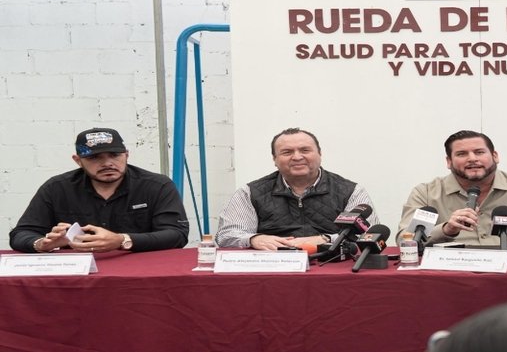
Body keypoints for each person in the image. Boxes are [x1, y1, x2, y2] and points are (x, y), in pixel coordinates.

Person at [9, 128, 189, 253]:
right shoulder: (56, 188)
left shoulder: (157, 185)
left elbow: (177, 234)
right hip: (77, 276)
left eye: (115, 155)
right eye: (95, 157)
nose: (107, 163)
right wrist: (42, 243)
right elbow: (21, 234)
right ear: (78, 161)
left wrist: (122, 240)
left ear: (126, 155)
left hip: (141, 270)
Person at [216, 128, 376, 250]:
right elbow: (226, 236)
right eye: (287, 152)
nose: (297, 157)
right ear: (274, 159)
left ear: (320, 154)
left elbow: (370, 235)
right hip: (272, 267)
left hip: (331, 264)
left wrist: (326, 239)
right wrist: (254, 239)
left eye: (305, 150)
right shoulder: (250, 192)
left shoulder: (351, 191)